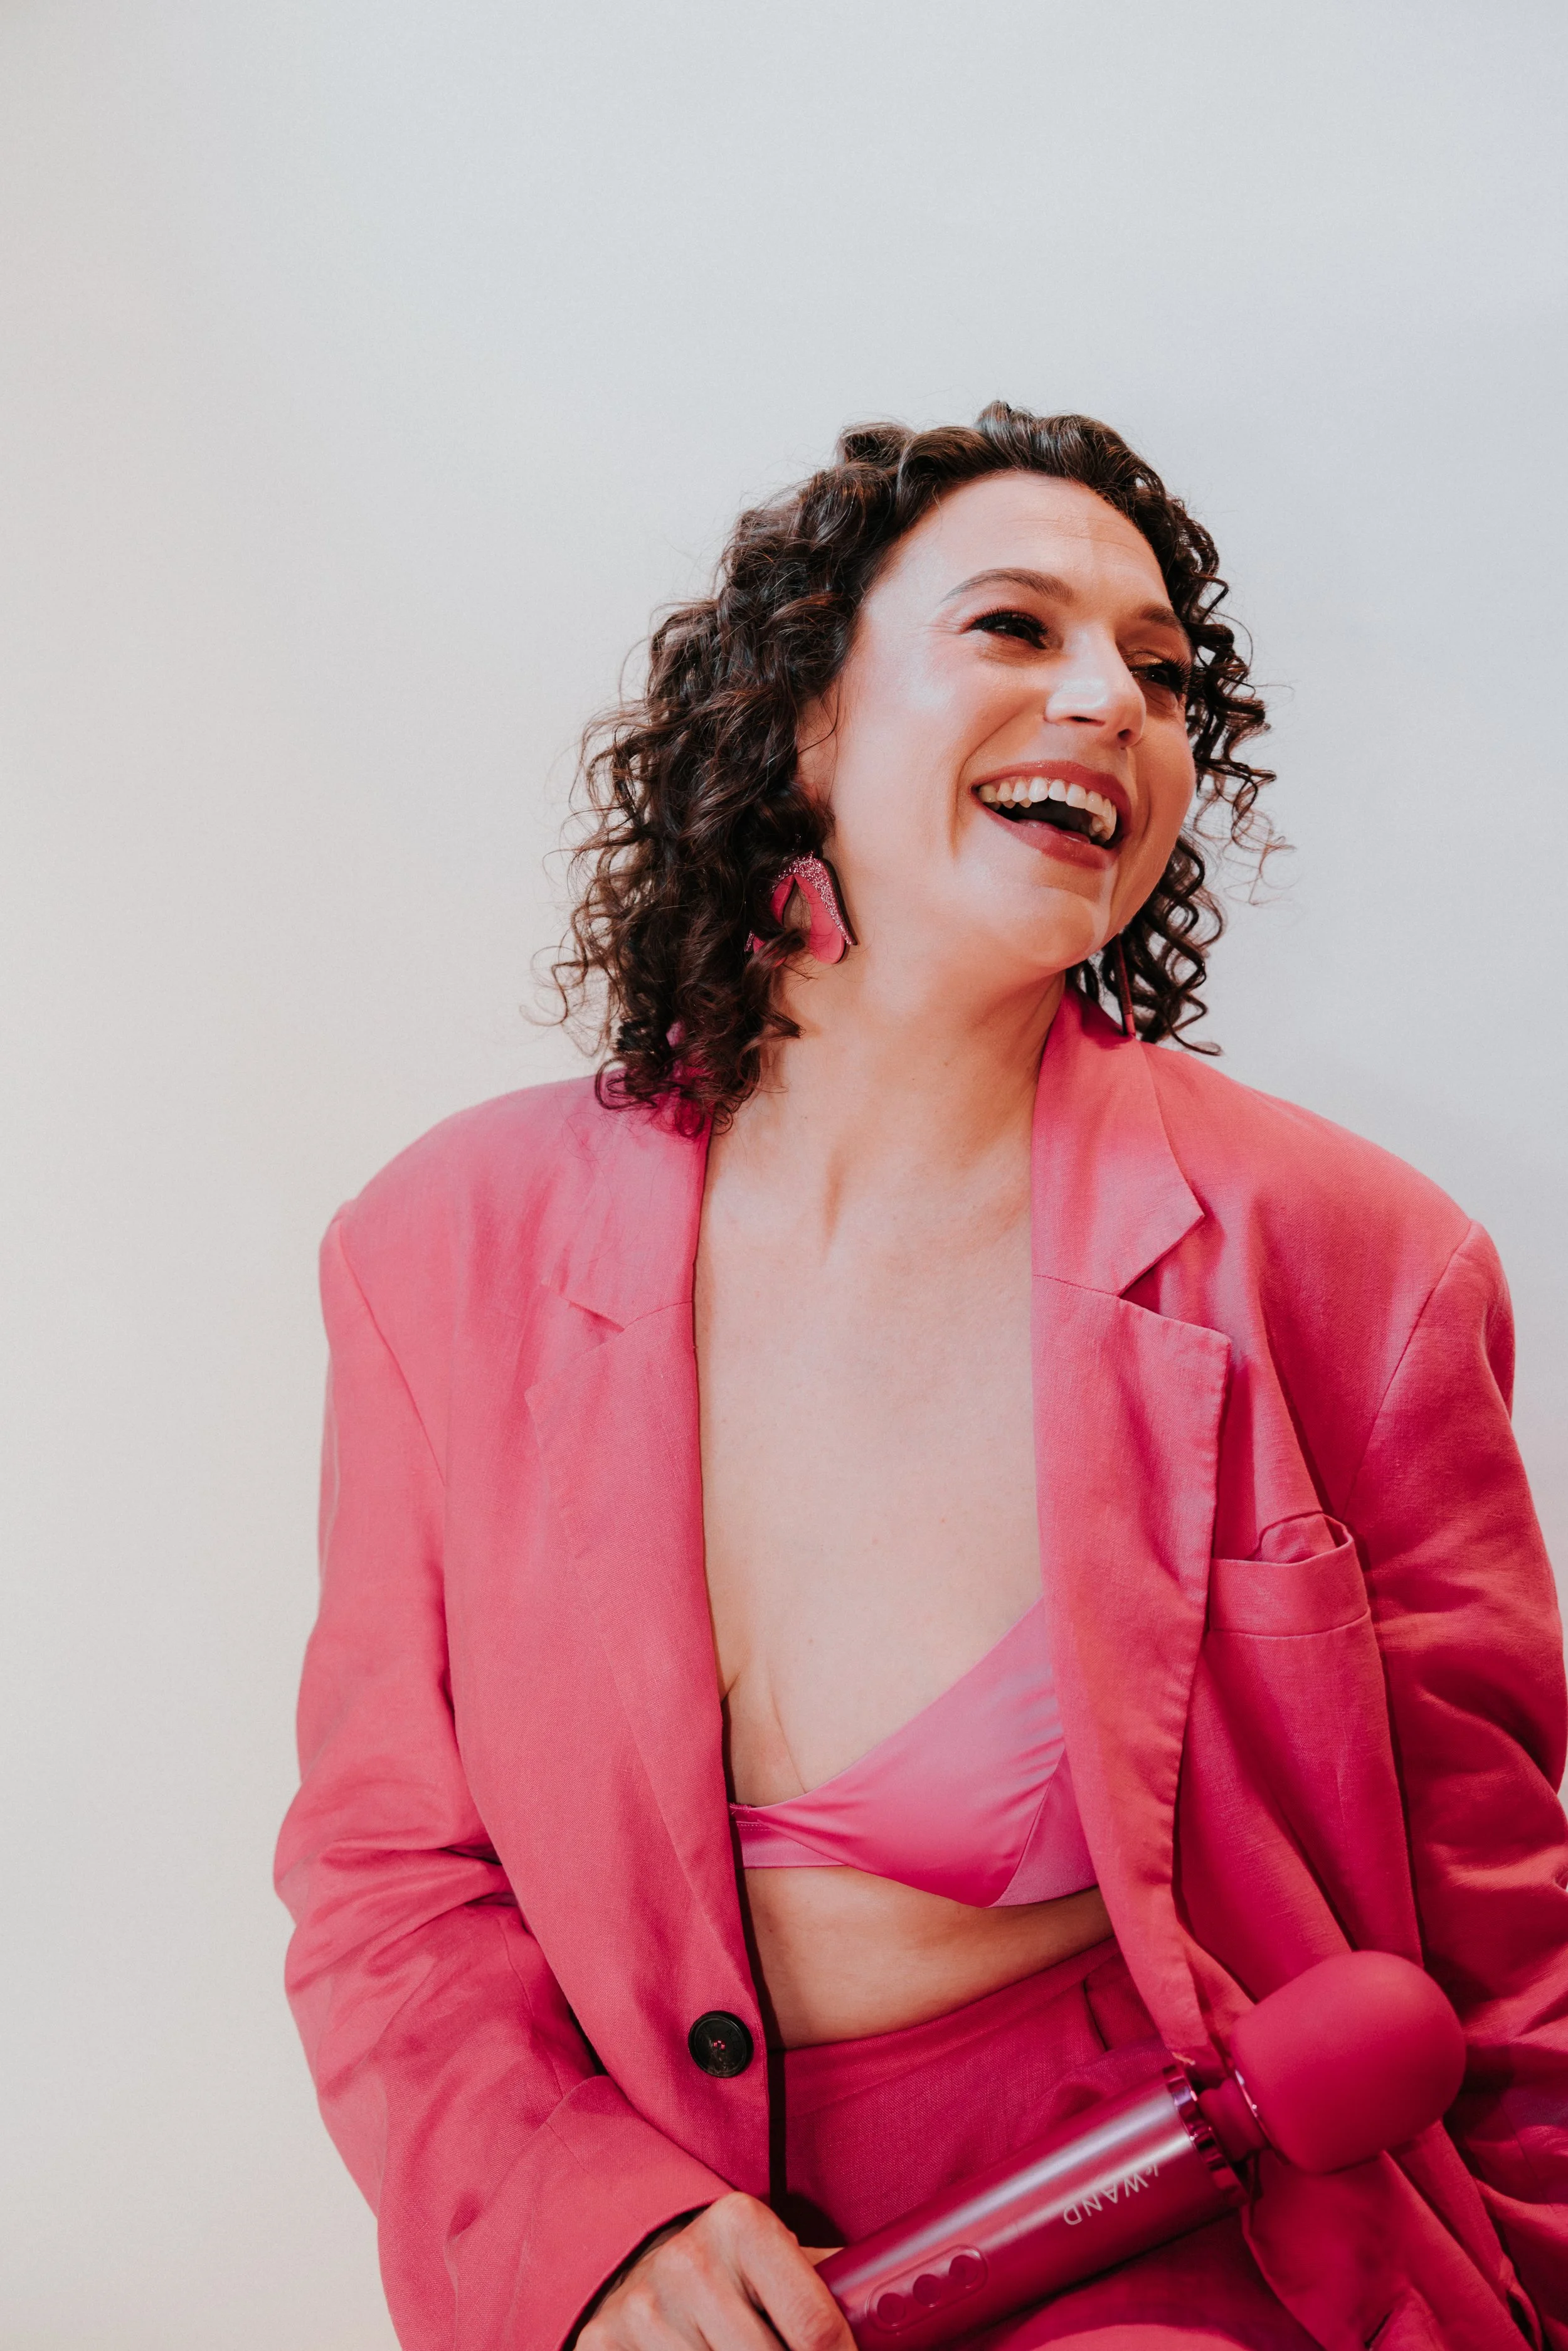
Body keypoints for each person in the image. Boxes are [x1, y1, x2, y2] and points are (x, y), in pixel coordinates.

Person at [275, 406, 1568, 2351]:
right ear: (800, 718)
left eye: (1159, 672)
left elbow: (1503, 1937)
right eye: (1014, 627)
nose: (1112, 702)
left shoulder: (1352, 1259)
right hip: (674, 2275)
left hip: (1185, 2236)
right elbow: (390, 1872)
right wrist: (582, 2226)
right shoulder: (437, 1247)